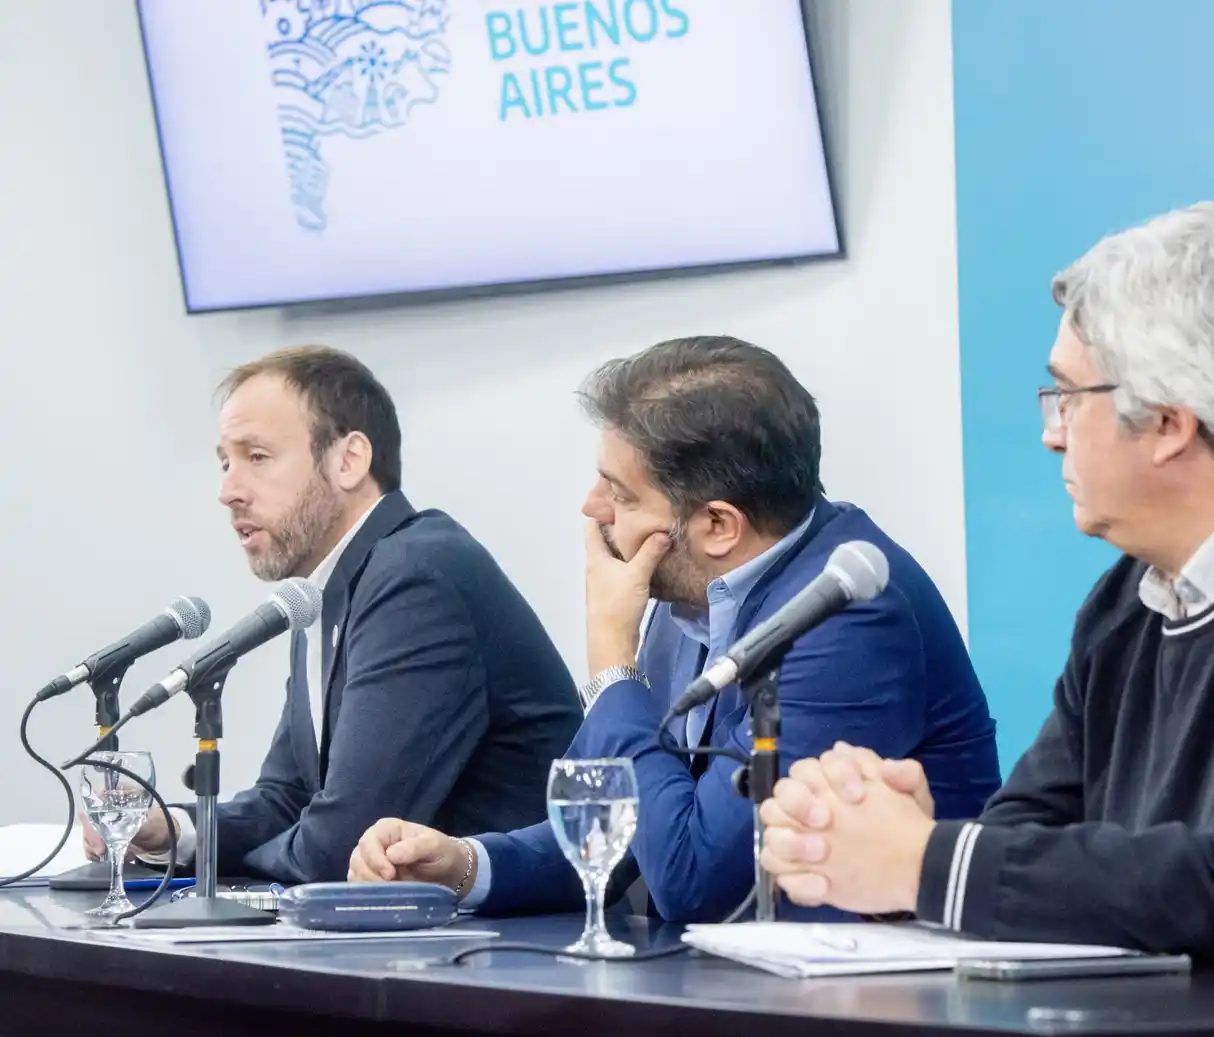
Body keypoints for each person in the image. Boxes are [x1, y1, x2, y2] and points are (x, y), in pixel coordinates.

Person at [758, 202, 1214, 973]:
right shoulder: (1130, 598)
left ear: (1171, 423)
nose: (1052, 432)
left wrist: (927, 862)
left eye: (1069, 397)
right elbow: (1033, 836)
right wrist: (896, 850)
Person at [348, 336, 1001, 921]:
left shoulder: (850, 619)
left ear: (717, 525)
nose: (592, 508)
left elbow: (697, 879)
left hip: (871, 1000)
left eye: (620, 494)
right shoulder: (691, 586)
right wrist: (465, 865)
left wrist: (613, 669)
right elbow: (618, 822)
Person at [83, 345, 582, 884]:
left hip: (515, 924)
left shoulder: (415, 577)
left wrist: (238, 864)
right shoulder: (327, 589)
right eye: (225, 463)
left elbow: (338, 844)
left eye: (257, 457)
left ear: (349, 460)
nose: (228, 491)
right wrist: (175, 831)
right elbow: (288, 798)